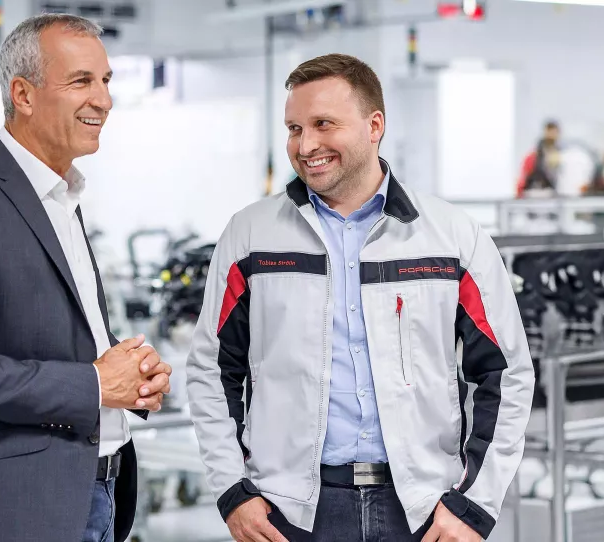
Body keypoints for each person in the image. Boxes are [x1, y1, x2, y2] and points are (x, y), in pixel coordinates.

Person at [186, 53, 535, 542]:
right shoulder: (251, 236)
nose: (306, 145)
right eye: (293, 128)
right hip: (289, 515)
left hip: (422, 511)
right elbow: (212, 369)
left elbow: (506, 372)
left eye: (323, 124)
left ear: (375, 126)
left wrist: (475, 503)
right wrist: (232, 493)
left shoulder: (452, 237)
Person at [0, 13, 172, 542]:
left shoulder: (61, 197)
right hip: (20, 509)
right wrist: (97, 383)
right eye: (81, 82)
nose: (103, 99)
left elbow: (57, 333)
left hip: (95, 492)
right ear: (23, 95)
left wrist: (130, 374)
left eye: (105, 81)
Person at [515, 120, 562, 197]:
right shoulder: (534, 156)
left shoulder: (560, 154)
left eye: (554, 132)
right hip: (536, 191)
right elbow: (525, 175)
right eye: (550, 131)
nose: (552, 135)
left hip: (553, 193)